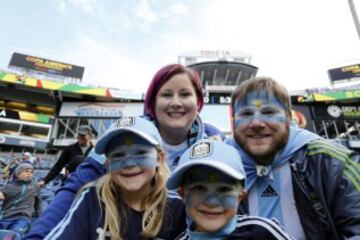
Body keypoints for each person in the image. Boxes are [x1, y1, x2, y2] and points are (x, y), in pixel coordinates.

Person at [25, 64, 225, 239]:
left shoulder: (214, 140)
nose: (175, 102)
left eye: (185, 94)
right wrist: (38, 235)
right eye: (166, 94)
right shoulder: (120, 135)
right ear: (152, 102)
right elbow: (75, 187)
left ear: (198, 100)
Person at [226, 76, 360, 239]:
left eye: (268, 112)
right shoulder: (219, 166)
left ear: (288, 118)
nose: (257, 123)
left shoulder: (330, 162)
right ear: (234, 122)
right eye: (246, 113)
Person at [44, 116, 186, 239]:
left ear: (159, 159)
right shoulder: (91, 199)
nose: (129, 163)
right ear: (107, 163)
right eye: (118, 155)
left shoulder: (177, 207)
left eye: (140, 153)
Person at [167, 139, 293, 240]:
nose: (211, 202)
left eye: (223, 190)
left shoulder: (263, 232)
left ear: (240, 197)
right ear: (182, 194)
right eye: (199, 188)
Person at [0, 163, 42, 238]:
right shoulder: (7, 186)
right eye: (26, 171)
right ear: (17, 174)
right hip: (4, 217)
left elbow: (38, 203)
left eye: (31, 172)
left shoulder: (35, 186)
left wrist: (40, 218)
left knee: (13, 235)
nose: (29, 173)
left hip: (22, 219)